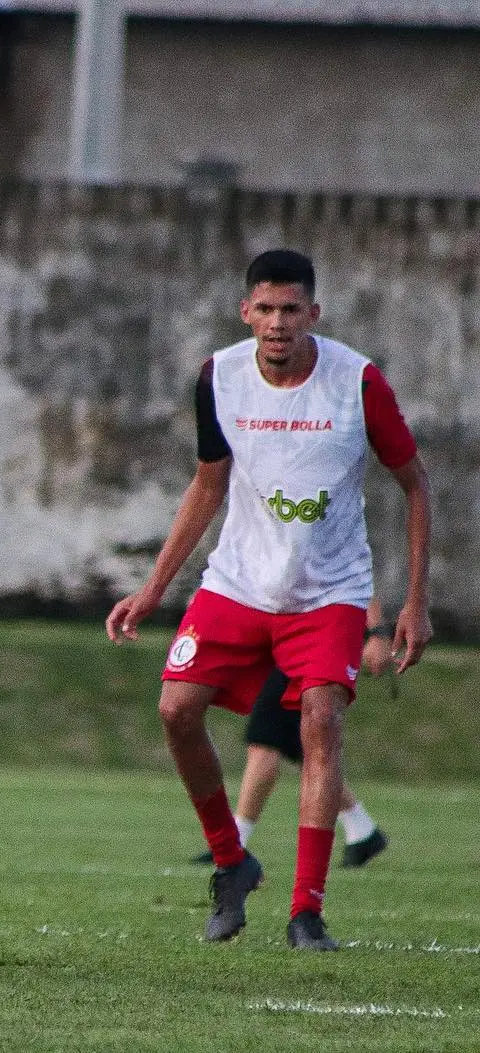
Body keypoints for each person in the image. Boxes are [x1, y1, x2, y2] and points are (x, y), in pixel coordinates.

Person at [106, 248, 431, 951]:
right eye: (266, 309)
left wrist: (414, 602)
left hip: (330, 593)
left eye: (292, 309)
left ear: (314, 313)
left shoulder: (357, 382)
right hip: (238, 583)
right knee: (175, 707)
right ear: (245, 311)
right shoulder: (218, 378)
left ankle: (306, 911)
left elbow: (415, 485)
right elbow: (207, 485)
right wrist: (154, 588)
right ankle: (232, 862)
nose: (278, 323)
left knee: (321, 722)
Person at [189, 597, 391, 869]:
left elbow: (358, 570)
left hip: (312, 640)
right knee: (309, 748)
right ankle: (362, 829)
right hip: (287, 639)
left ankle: (233, 843)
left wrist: (377, 633)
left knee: (266, 741)